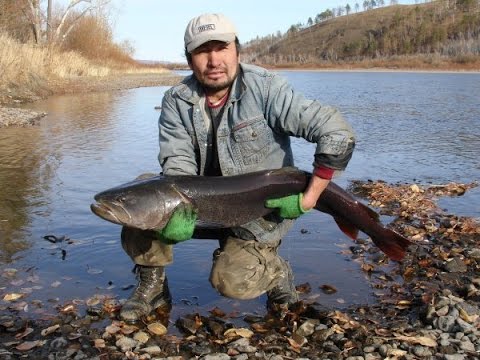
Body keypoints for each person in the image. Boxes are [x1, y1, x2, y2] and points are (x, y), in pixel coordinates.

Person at [119, 13, 355, 323]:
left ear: (237, 51)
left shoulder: (267, 89)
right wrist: (173, 217)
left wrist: (310, 197)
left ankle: (276, 272)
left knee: (231, 281)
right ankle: (153, 288)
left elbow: (336, 133)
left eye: (222, 48)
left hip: (261, 211)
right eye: (203, 51)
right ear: (189, 60)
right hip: (201, 208)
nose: (214, 60)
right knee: (142, 197)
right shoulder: (176, 101)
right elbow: (177, 168)